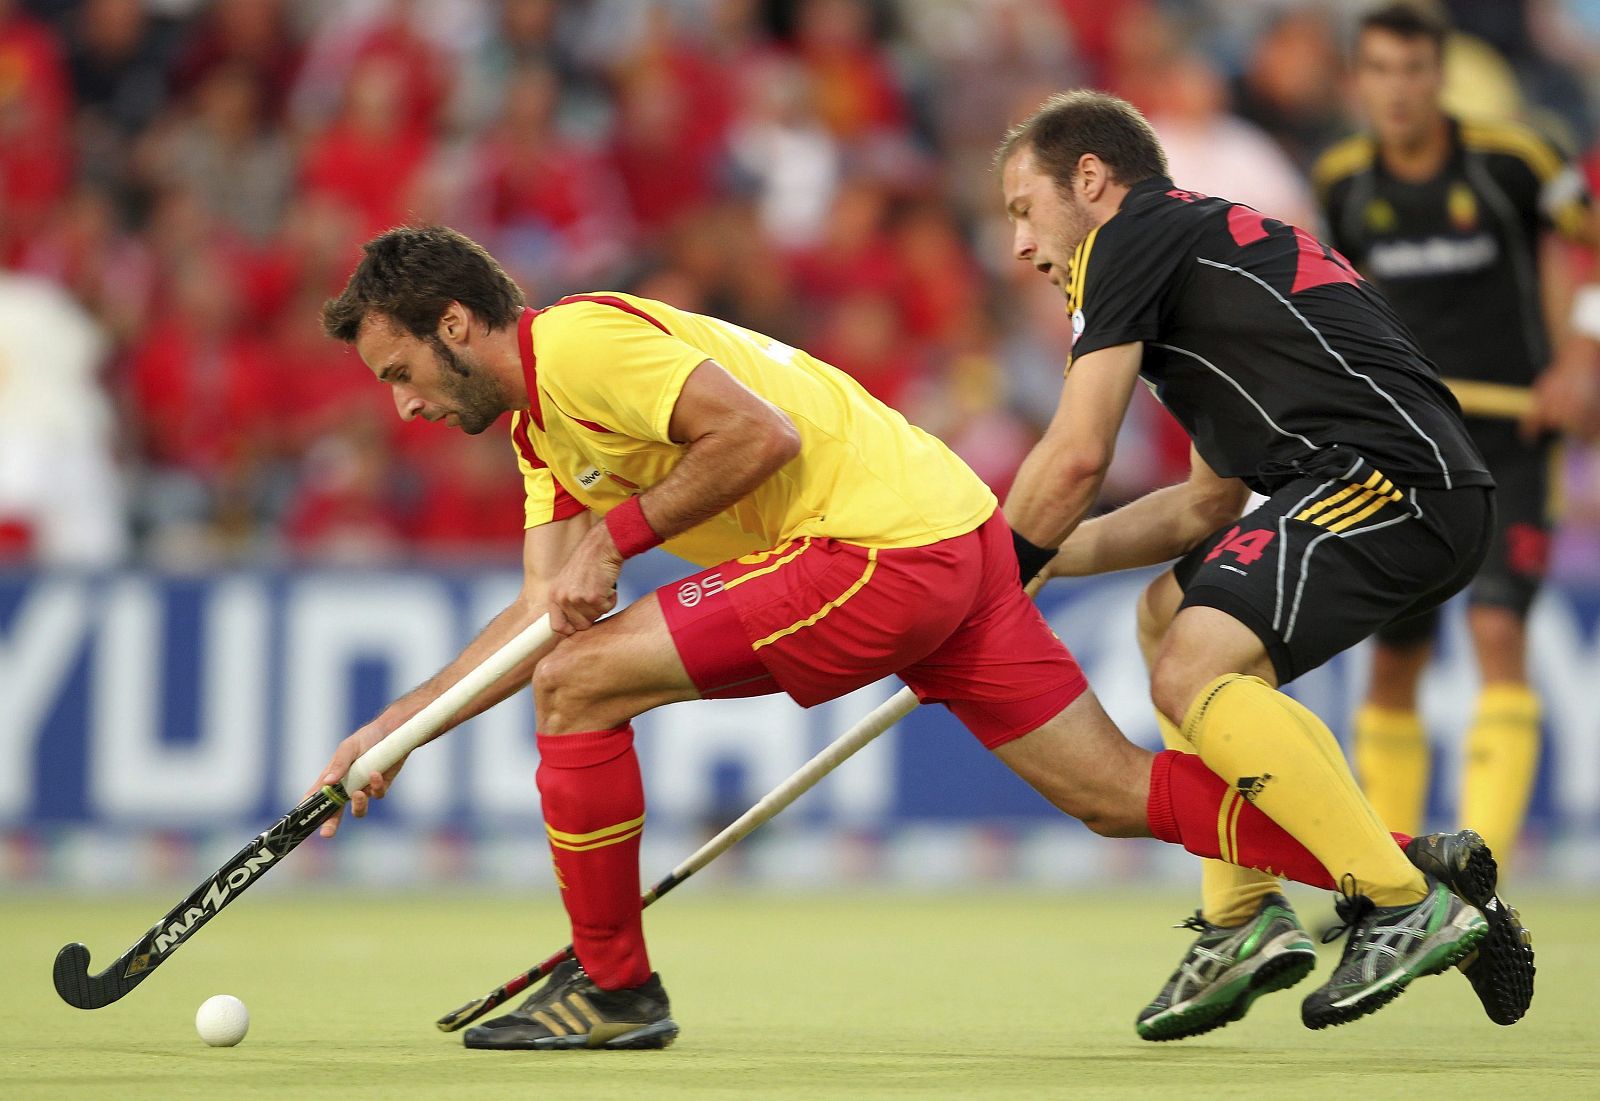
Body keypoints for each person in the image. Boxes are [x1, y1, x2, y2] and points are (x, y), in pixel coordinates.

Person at [309, 225, 1482, 1052]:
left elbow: (753, 438)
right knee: (1115, 792)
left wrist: (618, 536)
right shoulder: (536, 433)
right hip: (953, 537)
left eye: (403, 371)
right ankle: (1405, 875)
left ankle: (610, 986)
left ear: (456, 322)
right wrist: (394, 731)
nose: (404, 404)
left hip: (880, 551)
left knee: (579, 684)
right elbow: (529, 614)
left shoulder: (574, 346)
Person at [996, 89, 1535, 1042]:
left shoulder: (1128, 241)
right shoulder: (1198, 259)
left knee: (1191, 665)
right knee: (1168, 616)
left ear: (1090, 180)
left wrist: (990, 570)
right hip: (1385, 479)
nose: (1020, 247)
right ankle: (1243, 918)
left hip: (1388, 477)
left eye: (1022, 209)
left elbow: (1077, 456)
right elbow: (1204, 503)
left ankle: (1403, 898)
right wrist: (1052, 561)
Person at [1313, 1, 1600, 872]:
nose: (1398, 91)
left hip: (1514, 437)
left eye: (1414, 71)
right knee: (1396, 657)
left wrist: (1580, 359)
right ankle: (1392, 872)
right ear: (1356, 81)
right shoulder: (1342, 183)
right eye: (1380, 72)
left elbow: (1588, 252)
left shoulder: (1520, 162)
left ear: (1440, 77)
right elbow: (1342, 302)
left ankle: (1481, 877)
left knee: (1498, 630)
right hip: (1406, 446)